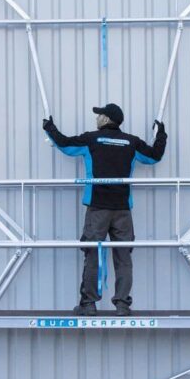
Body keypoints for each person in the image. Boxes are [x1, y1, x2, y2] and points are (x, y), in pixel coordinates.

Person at [43, 103, 167, 316]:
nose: (97, 117)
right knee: (123, 257)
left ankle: (88, 305)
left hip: (97, 208)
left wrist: (49, 127)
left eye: (99, 114)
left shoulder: (91, 139)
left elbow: (64, 144)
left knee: (92, 254)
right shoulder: (131, 142)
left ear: (106, 119)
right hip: (122, 209)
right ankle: (122, 305)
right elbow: (154, 156)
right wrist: (161, 134)